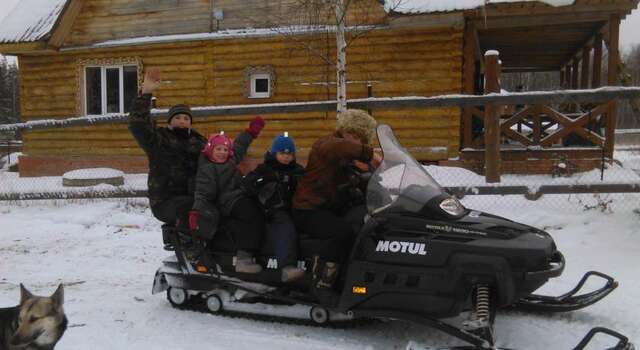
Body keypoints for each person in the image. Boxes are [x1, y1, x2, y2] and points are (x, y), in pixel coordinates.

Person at [292, 109, 380, 304]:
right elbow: (340, 147)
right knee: (342, 232)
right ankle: (322, 283)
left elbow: (356, 179)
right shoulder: (327, 145)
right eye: (354, 135)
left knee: (363, 224)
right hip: (308, 209)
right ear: (345, 131)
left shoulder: (347, 157)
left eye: (361, 138)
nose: (356, 140)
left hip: (327, 208)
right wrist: (371, 153)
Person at [128, 67, 206, 249]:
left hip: (196, 196)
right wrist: (145, 94)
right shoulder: (159, 140)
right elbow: (138, 126)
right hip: (165, 201)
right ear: (170, 121)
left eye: (186, 118)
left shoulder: (199, 142)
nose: (182, 121)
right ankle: (189, 249)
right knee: (191, 206)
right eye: (177, 117)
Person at [189, 117, 266, 274]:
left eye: (225, 150)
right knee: (250, 213)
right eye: (218, 149)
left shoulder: (230, 161)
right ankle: (244, 258)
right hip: (225, 202)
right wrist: (197, 211)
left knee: (263, 206)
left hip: (238, 195)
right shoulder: (207, 169)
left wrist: (250, 132)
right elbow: (203, 193)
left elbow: (239, 145)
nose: (222, 153)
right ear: (210, 150)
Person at [242, 132, 306, 282]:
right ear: (274, 152)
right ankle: (286, 266)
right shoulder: (265, 168)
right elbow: (248, 184)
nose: (286, 157)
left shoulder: (297, 170)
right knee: (285, 227)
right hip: (271, 209)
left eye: (289, 154)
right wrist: (262, 180)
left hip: (292, 207)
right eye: (282, 153)